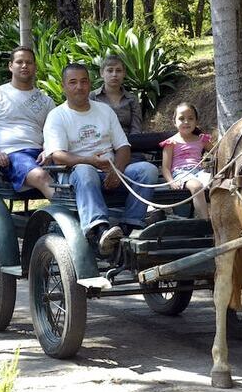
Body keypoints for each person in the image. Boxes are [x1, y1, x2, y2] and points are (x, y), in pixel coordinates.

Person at [43, 63, 159, 255]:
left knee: (148, 170)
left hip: (111, 171)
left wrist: (117, 170)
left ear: (90, 84)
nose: (79, 87)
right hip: (75, 175)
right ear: (64, 86)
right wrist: (90, 161)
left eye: (83, 81)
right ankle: (99, 230)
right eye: (73, 82)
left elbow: (123, 147)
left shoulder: (104, 111)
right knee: (85, 170)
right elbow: (58, 155)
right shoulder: (57, 116)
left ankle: (129, 225)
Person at [0, 46, 56, 198]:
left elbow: (54, 134)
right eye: (19, 62)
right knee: (41, 177)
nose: (24, 65)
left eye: (29, 62)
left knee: (78, 173)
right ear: (10, 66)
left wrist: (48, 150)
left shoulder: (46, 100)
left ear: (35, 67)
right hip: (12, 155)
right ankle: (72, 219)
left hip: (42, 154)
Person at [160, 103, 213, 219]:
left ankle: (219, 217)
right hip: (181, 173)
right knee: (196, 186)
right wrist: (171, 181)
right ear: (174, 122)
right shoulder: (171, 142)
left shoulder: (201, 140)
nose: (186, 122)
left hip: (199, 172)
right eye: (181, 118)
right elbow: (165, 167)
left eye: (190, 118)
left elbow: (217, 151)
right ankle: (205, 222)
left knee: (217, 183)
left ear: (196, 121)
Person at [89, 54, 142, 135]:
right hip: (100, 142)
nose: (114, 74)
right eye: (110, 70)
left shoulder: (132, 99)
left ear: (124, 73)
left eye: (118, 70)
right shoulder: (92, 97)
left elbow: (136, 130)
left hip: (128, 142)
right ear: (102, 73)